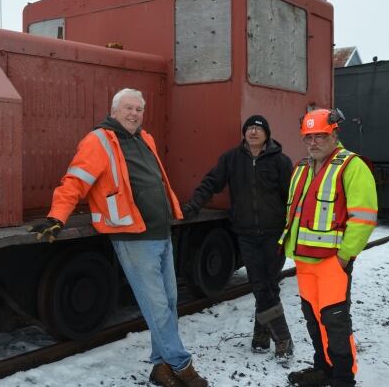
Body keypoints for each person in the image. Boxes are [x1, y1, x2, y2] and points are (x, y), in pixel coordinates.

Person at [30, 88, 209, 387]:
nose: (134, 114)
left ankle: (160, 367)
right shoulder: (98, 140)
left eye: (139, 109)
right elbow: (75, 180)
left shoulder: (144, 138)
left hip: (161, 233)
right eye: (128, 108)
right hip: (133, 237)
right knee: (157, 306)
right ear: (114, 111)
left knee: (169, 302)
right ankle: (181, 364)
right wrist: (56, 217)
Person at [181, 114, 294, 359]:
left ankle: (265, 336)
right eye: (249, 128)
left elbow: (293, 197)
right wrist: (193, 206)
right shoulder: (231, 159)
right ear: (244, 133)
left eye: (258, 128)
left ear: (267, 134)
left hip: (274, 234)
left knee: (269, 285)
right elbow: (211, 183)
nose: (253, 132)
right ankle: (279, 338)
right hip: (247, 234)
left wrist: (292, 228)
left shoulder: (281, 162)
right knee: (259, 285)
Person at [280, 108, 377, 387]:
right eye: (308, 137)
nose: (313, 142)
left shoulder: (352, 166)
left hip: (333, 262)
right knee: (313, 319)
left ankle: (343, 379)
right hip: (304, 262)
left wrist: (345, 257)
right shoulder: (301, 168)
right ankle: (324, 368)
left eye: (320, 136)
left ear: (335, 134)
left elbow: (364, 217)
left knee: (334, 322)